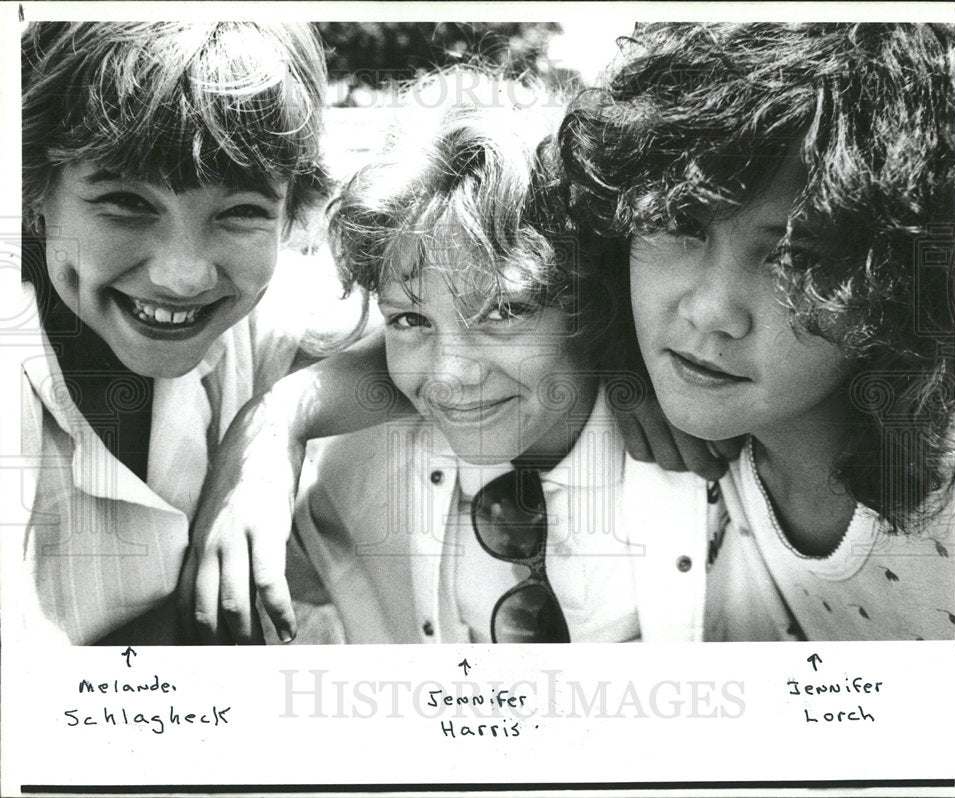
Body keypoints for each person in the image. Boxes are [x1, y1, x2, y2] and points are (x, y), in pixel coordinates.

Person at [182, 68, 721, 644]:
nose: (450, 374)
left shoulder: (711, 450)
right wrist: (270, 426)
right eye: (411, 321)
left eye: (503, 312)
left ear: (590, 298)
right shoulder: (354, 477)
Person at [559, 22, 955, 640]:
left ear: (897, 281)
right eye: (678, 222)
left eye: (794, 256)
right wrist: (616, 359)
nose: (709, 311)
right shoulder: (685, 429)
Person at [14, 21, 357, 644]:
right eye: (127, 203)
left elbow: (444, 337)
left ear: (288, 214)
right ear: (32, 188)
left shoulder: (254, 322)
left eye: (241, 213)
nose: (183, 276)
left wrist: (272, 432)